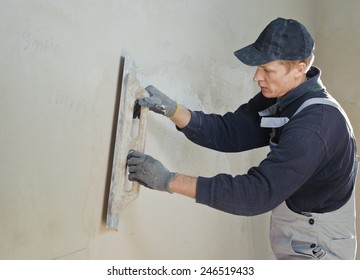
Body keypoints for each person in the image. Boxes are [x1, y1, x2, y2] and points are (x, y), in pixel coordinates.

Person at [127, 18, 358, 260]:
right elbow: (231, 132)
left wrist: (168, 180)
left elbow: (257, 193)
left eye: (267, 70)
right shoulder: (284, 97)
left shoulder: (315, 125)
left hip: (319, 251)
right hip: (298, 232)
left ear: (299, 69)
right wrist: (173, 109)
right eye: (258, 67)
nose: (257, 77)